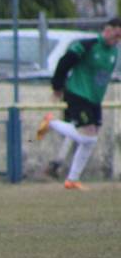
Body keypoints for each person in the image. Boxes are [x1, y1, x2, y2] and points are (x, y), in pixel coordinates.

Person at [35, 18, 121, 190]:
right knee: (88, 135)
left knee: (90, 140)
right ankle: (51, 122)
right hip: (77, 93)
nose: (117, 40)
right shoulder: (87, 45)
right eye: (116, 35)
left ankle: (72, 180)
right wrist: (57, 86)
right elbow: (64, 62)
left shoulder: (114, 52)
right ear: (107, 29)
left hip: (94, 99)